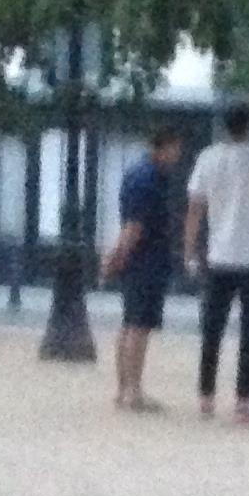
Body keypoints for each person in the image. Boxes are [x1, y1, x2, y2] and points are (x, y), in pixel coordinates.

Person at [184, 102, 249, 423]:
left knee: (211, 328)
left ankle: (206, 395)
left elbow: (195, 208)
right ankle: (244, 399)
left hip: (220, 254)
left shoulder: (208, 158)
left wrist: (189, 250)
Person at [101, 127, 183, 412]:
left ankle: (124, 388)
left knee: (129, 323)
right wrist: (118, 254)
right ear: (165, 146)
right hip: (146, 258)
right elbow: (134, 225)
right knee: (139, 326)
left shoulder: (139, 174)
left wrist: (117, 256)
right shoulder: (148, 179)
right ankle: (133, 390)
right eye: (176, 148)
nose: (178, 155)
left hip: (141, 258)